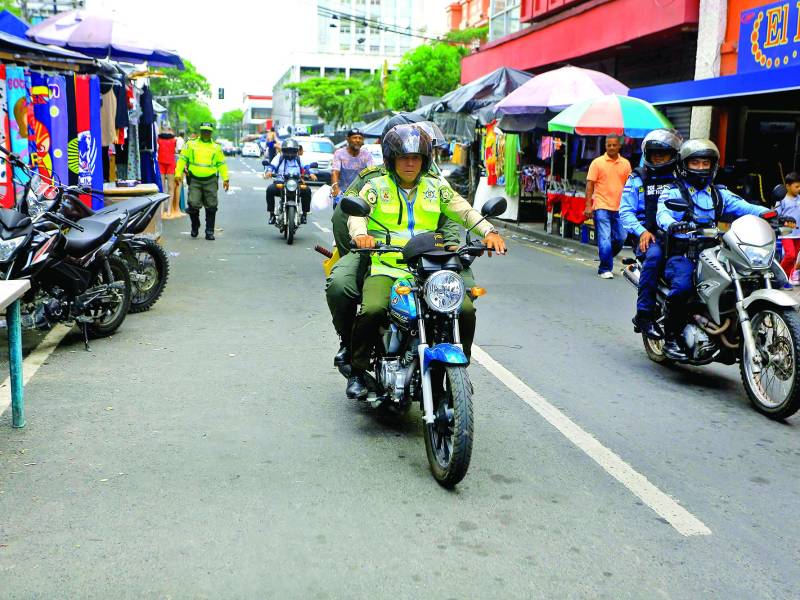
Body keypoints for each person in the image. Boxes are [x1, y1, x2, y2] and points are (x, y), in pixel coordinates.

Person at [344, 124, 506, 399]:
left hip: (430, 268)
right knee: (372, 309)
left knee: (464, 310)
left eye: (416, 157)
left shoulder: (436, 188)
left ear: (424, 160)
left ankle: (459, 374)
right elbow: (357, 214)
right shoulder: (376, 186)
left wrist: (489, 232)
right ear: (391, 160)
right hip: (388, 265)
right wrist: (361, 235)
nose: (409, 163)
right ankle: (358, 371)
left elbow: (464, 211)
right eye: (403, 157)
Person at [325, 114, 467, 372]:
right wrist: (359, 249)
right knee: (340, 286)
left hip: (431, 256)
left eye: (419, 147)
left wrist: (452, 245)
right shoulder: (373, 178)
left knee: (464, 297)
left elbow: (451, 215)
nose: (412, 156)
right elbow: (343, 217)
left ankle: (453, 361)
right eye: (404, 149)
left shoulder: (435, 180)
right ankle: (350, 344)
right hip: (375, 252)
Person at [657, 139, 779, 361]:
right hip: (684, 252)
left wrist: (770, 214)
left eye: (706, 163)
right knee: (683, 288)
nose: (702, 168)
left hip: (714, 250)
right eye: (696, 163)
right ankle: (671, 338)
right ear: (684, 165)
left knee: (747, 278)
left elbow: (746, 207)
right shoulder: (673, 191)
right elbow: (662, 214)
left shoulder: (719, 193)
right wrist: (673, 225)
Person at [619, 129, 682, 340]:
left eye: (662, 155)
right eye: (654, 155)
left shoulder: (679, 177)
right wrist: (641, 231)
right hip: (649, 236)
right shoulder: (637, 178)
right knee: (654, 259)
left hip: (677, 235)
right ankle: (644, 315)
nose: (657, 159)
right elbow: (625, 212)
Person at [585, 134, 632, 279]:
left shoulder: (626, 164)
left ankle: (606, 256)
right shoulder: (597, 163)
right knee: (604, 238)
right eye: (608, 145)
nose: (611, 147)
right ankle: (604, 268)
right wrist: (588, 206)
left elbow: (629, 187)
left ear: (619, 146)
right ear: (605, 146)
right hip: (601, 206)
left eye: (614, 145)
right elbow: (589, 185)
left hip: (620, 208)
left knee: (621, 237)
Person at [174, 122, 229, 241]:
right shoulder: (191, 144)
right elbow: (182, 159)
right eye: (204, 131)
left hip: (210, 180)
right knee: (192, 204)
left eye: (208, 131)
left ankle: (209, 231)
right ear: (200, 132)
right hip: (195, 179)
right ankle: (195, 225)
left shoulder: (216, 147)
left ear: (211, 133)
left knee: (212, 206)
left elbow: (222, 164)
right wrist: (178, 174)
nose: (206, 133)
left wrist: (226, 179)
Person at [264, 138, 316, 225]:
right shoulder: (279, 158)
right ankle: (272, 215)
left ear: (296, 151)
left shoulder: (299, 159)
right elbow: (272, 166)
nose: (290, 153)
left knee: (307, 190)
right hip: (281, 182)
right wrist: (269, 172)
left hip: (296, 183)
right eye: (288, 151)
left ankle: (304, 215)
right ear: (283, 151)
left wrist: (311, 173)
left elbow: (307, 167)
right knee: (270, 189)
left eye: (292, 151)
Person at [331, 128, 373, 206]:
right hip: (343, 191)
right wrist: (335, 188)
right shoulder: (339, 153)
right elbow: (335, 172)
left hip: (361, 192)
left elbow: (372, 172)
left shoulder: (366, 155)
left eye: (360, 138)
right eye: (354, 137)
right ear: (348, 139)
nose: (357, 140)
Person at [777, 172, 800, 283]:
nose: (799, 189)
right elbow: (776, 216)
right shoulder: (782, 200)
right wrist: (784, 223)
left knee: (795, 257)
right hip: (786, 233)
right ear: (787, 186)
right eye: (796, 187)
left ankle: (787, 278)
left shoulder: (799, 198)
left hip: (798, 233)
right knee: (790, 255)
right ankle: (778, 274)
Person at [157, 126, 178, 218]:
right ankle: (162, 208)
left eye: (169, 129)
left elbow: (176, 151)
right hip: (161, 163)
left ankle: (168, 208)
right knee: (162, 186)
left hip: (170, 164)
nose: (167, 131)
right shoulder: (158, 139)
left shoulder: (174, 139)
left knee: (170, 186)